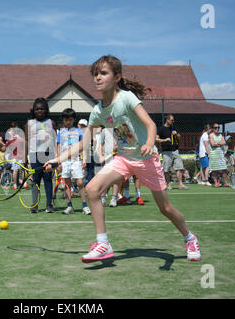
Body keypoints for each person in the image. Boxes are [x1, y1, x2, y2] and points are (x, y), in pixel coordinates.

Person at [44, 55, 201, 263]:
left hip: (147, 159)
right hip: (124, 158)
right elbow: (84, 143)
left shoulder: (127, 98)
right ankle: (103, 243)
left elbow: (150, 125)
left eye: (103, 73)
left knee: (166, 209)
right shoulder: (98, 111)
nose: (98, 78)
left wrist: (149, 143)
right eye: (96, 74)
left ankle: (190, 239)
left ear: (117, 76)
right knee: (92, 190)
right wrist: (58, 159)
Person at [25, 97, 57, 213]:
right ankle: (34, 205)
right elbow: (27, 141)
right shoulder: (29, 123)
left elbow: (55, 141)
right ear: (33, 110)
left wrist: (56, 158)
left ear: (46, 110)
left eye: (42, 109)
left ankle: (49, 204)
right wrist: (25, 158)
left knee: (48, 179)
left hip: (48, 154)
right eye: (37, 109)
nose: (39, 111)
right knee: (35, 180)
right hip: (34, 154)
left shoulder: (51, 123)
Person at [57, 108, 91, 215]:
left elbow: (84, 146)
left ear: (74, 119)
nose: (68, 122)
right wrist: (58, 161)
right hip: (65, 162)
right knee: (67, 184)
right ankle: (69, 206)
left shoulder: (79, 131)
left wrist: (84, 159)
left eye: (70, 119)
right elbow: (58, 146)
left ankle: (85, 206)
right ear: (63, 120)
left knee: (80, 182)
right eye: (66, 119)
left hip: (76, 160)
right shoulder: (60, 132)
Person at [156, 114, 188, 190]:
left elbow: (179, 138)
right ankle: (169, 184)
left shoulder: (173, 128)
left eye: (173, 120)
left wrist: (177, 134)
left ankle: (180, 184)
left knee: (179, 167)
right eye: (172, 120)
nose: (173, 121)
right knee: (166, 169)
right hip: (166, 152)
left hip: (175, 150)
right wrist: (165, 140)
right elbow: (156, 139)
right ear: (167, 120)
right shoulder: (161, 129)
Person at [208, 123, 230, 187]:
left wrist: (217, 143)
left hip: (220, 154)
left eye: (218, 127)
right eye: (215, 127)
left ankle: (226, 183)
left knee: (224, 168)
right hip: (213, 154)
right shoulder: (211, 135)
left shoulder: (221, 135)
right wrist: (220, 143)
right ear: (212, 129)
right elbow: (212, 144)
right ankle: (216, 183)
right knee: (214, 169)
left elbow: (224, 142)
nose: (217, 129)